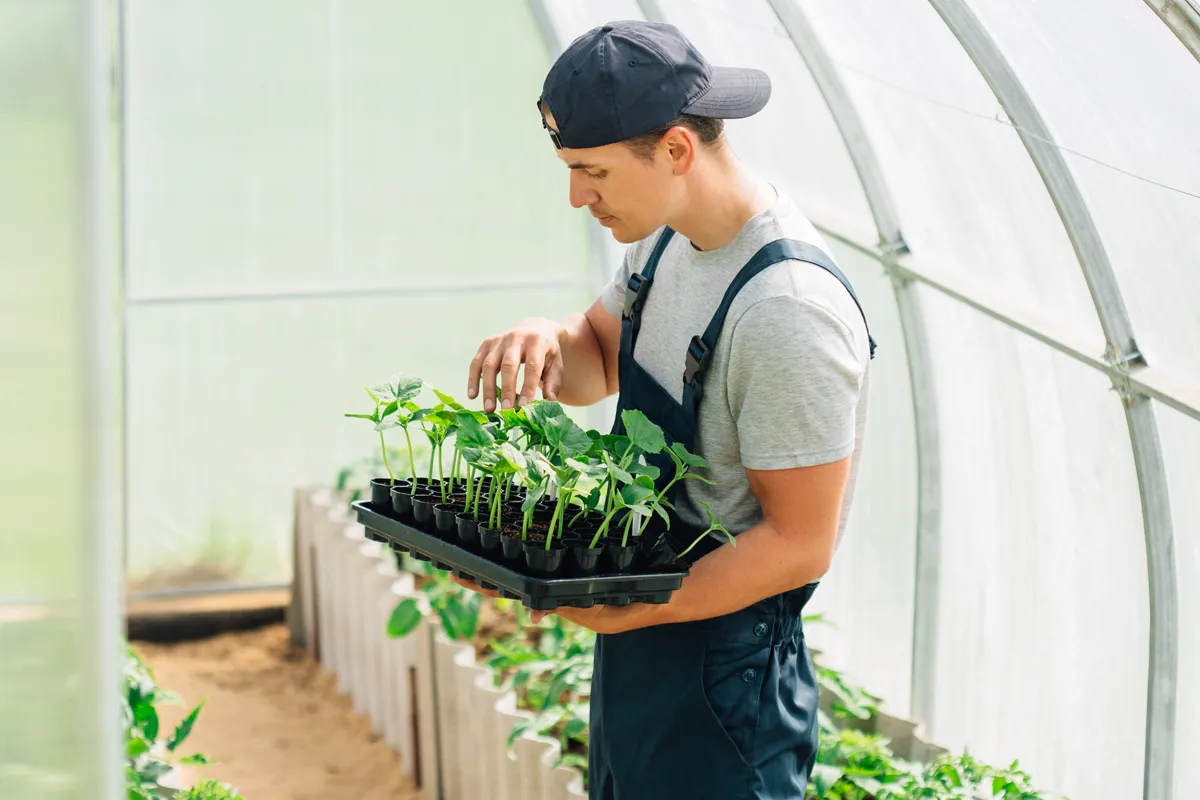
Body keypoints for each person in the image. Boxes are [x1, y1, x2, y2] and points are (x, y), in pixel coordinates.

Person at [459, 20, 874, 800]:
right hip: (644, 649)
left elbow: (797, 544)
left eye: (594, 173)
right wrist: (545, 341)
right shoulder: (666, 240)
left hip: (724, 690)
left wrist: (631, 610)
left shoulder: (786, 310)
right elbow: (599, 360)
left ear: (677, 150)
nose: (577, 196)